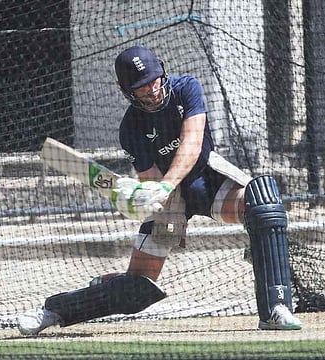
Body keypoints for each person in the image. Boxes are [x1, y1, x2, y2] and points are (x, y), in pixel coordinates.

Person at [17, 45, 302, 335]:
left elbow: (192, 145)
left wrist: (162, 185)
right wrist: (139, 199)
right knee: (134, 290)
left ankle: (275, 310)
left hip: (206, 178)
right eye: (140, 87)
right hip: (169, 200)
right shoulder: (130, 127)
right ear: (124, 89)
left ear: (163, 71)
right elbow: (149, 177)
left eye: (153, 81)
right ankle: (52, 310)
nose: (151, 91)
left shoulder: (186, 88)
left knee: (263, 201)